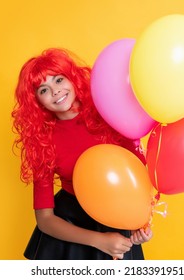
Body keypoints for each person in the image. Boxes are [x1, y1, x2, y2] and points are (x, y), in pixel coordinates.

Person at [12, 48, 153, 260]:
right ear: (37, 102)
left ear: (72, 78)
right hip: (71, 229)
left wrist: (139, 227)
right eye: (43, 90)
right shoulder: (43, 141)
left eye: (59, 80)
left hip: (117, 216)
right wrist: (99, 240)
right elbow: (45, 219)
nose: (55, 91)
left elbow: (137, 176)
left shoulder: (108, 112)